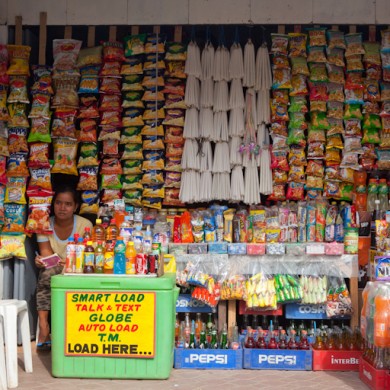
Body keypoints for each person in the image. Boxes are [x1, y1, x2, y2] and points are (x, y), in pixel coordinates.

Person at [34, 185, 93, 351]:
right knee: (46, 272)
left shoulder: (85, 225)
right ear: (53, 205)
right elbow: (46, 253)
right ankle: (44, 326)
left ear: (75, 207)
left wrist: (69, 263)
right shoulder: (44, 223)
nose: (62, 207)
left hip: (78, 267)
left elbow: (88, 253)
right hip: (55, 268)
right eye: (58, 203)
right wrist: (42, 261)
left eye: (67, 204)